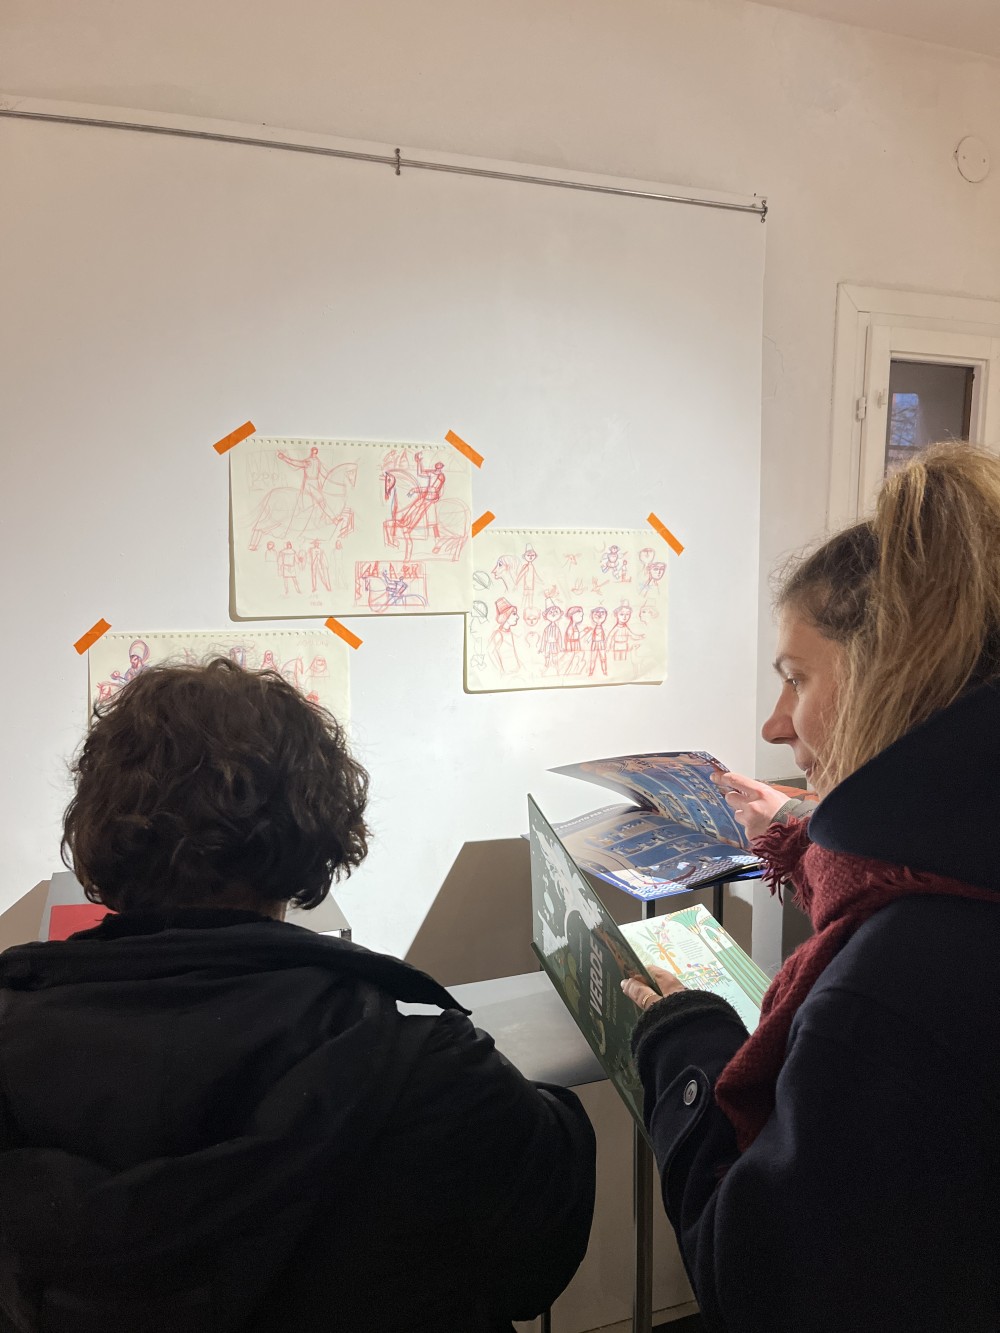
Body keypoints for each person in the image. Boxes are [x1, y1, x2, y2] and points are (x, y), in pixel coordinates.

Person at [0, 661, 595, 1332]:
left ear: (98, 828)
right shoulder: (428, 1067)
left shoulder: (14, 1052)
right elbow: (537, 1261)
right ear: (314, 832)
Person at [622, 444, 1000, 1331]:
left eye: (796, 678)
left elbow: (752, 1278)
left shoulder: (884, 992)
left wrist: (686, 1040)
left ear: (887, 676)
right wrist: (798, 819)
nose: (774, 723)